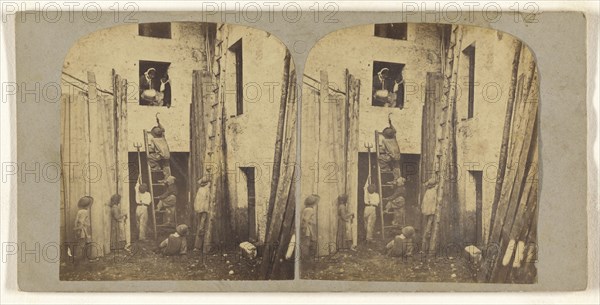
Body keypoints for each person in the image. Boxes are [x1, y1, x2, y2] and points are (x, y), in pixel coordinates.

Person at [73, 196, 96, 262]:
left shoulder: (79, 211)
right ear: (87, 205)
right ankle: (79, 259)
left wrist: (76, 229)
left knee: (80, 244)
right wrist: (86, 233)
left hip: (79, 229)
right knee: (82, 244)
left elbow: (76, 221)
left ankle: (79, 259)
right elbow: (82, 223)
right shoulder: (84, 212)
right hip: (82, 230)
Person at [379, 113, 402, 180]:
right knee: (396, 167)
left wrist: (380, 147)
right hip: (397, 157)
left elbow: (383, 148)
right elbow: (394, 131)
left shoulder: (385, 141)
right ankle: (396, 178)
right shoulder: (394, 138)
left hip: (391, 157)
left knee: (380, 158)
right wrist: (390, 123)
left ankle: (385, 169)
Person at [192, 176, 211, 253]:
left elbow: (197, 202)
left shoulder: (200, 189)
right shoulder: (206, 190)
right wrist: (207, 210)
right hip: (204, 211)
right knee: (202, 228)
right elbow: (207, 201)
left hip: (200, 210)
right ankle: (200, 247)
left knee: (200, 227)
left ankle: (197, 246)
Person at [301, 194, 319, 260]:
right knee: (310, 244)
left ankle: (309, 259)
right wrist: (304, 228)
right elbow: (306, 220)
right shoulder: (309, 210)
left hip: (309, 228)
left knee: (309, 243)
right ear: (312, 203)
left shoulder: (306, 209)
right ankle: (309, 260)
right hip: (308, 229)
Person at [363, 177, 380, 243]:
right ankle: (369, 238)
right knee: (371, 223)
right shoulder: (376, 195)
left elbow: (365, 188)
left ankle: (367, 236)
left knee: (366, 223)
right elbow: (377, 202)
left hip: (366, 208)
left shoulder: (366, 193)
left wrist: (368, 178)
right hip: (372, 208)